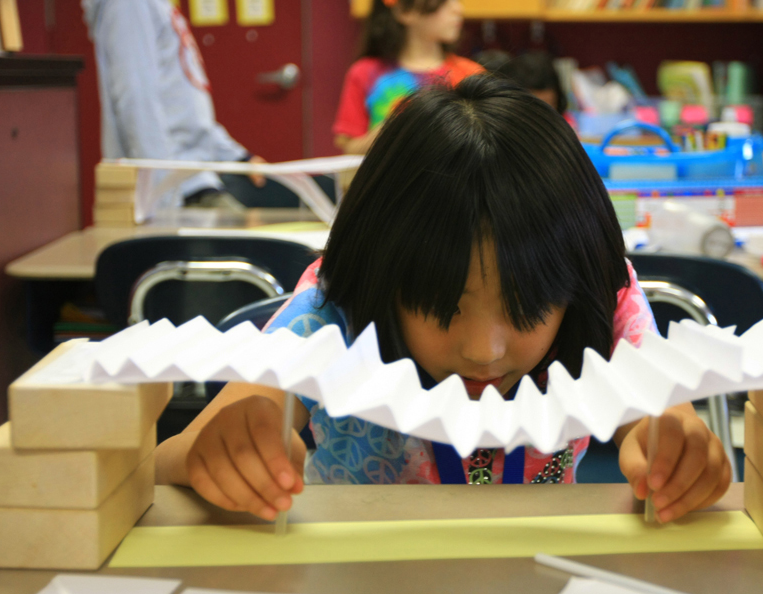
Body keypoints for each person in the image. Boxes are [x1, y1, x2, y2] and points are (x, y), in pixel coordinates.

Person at [155, 75, 731, 525]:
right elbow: (168, 459)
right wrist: (219, 451)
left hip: (537, 580)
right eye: (441, 307)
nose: (484, 350)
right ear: (382, 274)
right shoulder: (333, 314)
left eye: (527, 308)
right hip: (362, 585)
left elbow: (663, 425)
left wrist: (675, 453)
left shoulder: (601, 297)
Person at [82, 0, 265, 212]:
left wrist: (239, 158)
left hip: (191, 181)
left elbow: (185, 110)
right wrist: (165, 205)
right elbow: (138, 104)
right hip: (179, 191)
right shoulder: (130, 4)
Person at [333, 0, 483, 155]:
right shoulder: (364, 73)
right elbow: (349, 149)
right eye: (444, 2)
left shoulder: (472, 74)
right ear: (404, 11)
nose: (458, 9)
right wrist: (391, 130)